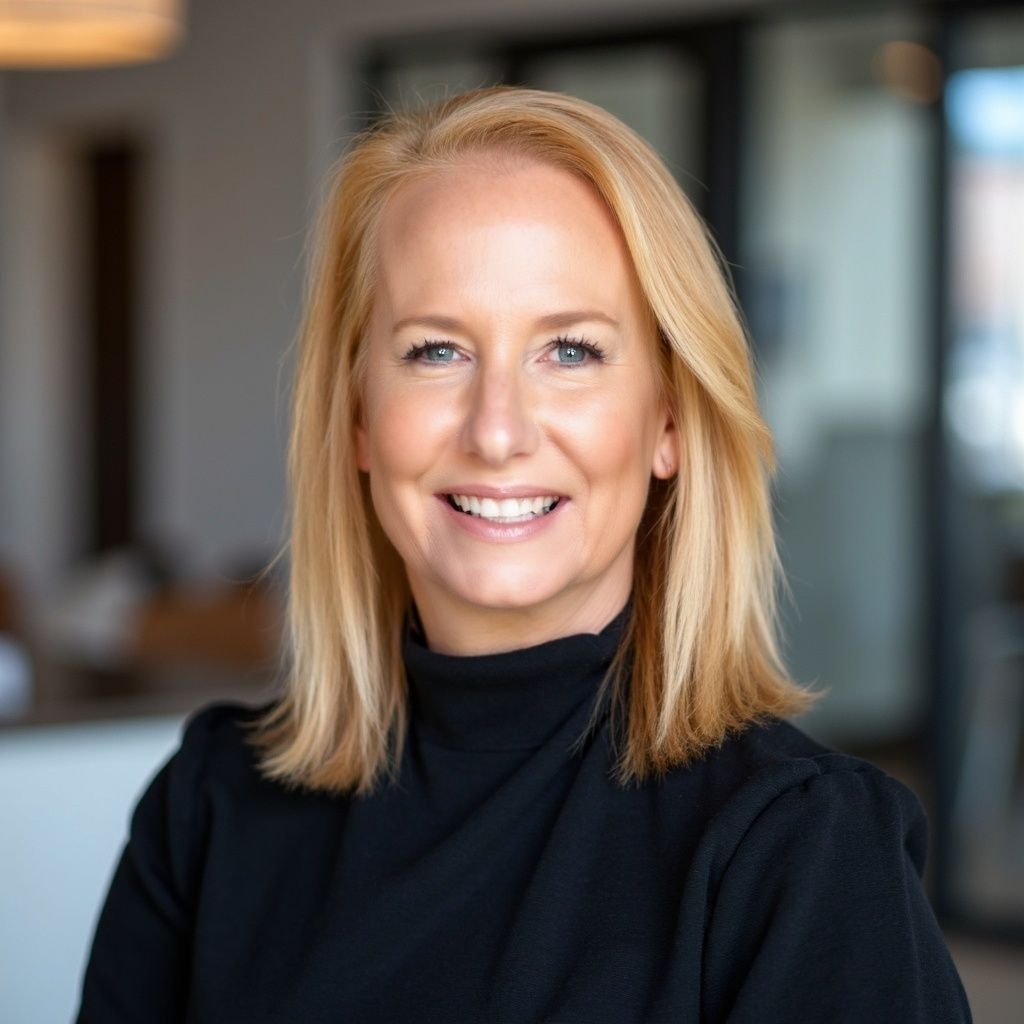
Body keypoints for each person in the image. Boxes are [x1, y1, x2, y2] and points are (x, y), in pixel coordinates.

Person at [75, 85, 972, 1023]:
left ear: (668, 419)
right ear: (356, 420)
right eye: (435, 352)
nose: (497, 432)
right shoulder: (207, 810)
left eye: (571, 351)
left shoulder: (802, 850)